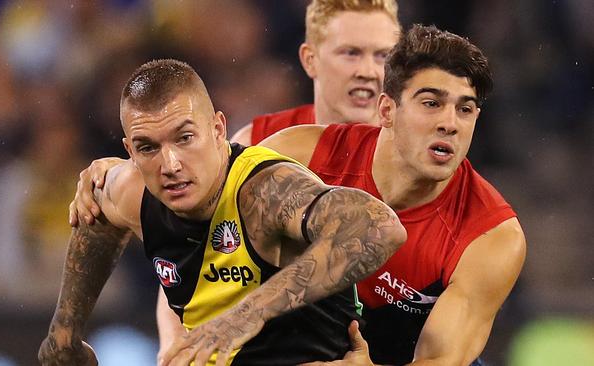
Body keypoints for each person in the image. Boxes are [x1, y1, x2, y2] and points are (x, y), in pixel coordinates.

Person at [73, 26, 527, 365]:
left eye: (465, 109)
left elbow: (438, 362)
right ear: (386, 109)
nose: (450, 122)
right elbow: (193, 212)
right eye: (432, 103)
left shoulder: (490, 237)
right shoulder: (297, 152)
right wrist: (116, 174)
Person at [38, 59, 406, 366]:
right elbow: (98, 219)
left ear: (218, 129)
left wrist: (245, 316)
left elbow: (380, 228)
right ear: (129, 151)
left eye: (185, 138)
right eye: (147, 147)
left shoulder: (264, 191)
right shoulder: (127, 190)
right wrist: (65, 334)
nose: (170, 164)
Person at [231, 0, 401, 145]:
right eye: (351, 53)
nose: (368, 71)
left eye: (383, 55)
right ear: (310, 60)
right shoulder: (258, 144)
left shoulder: (415, 151)